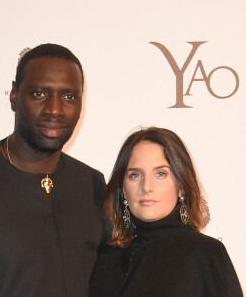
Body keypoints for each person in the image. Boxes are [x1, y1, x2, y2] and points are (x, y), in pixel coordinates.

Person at [0, 44, 106, 296]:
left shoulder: (92, 184)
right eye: (40, 93)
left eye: (69, 97)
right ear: (14, 96)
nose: (55, 109)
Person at [89, 127, 243, 297]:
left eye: (161, 173)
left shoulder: (205, 254)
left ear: (182, 186)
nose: (147, 187)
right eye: (135, 175)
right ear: (123, 188)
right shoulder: (102, 259)